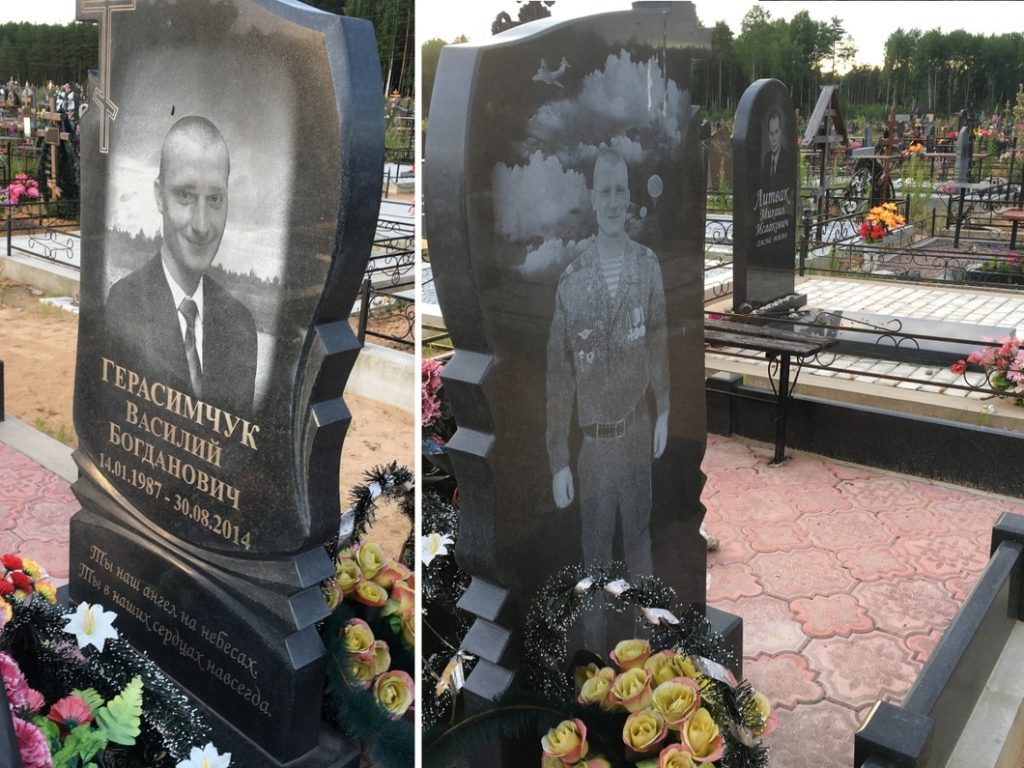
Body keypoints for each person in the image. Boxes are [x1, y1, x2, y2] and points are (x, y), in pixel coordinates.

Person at [546, 147, 669, 601]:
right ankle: (596, 660)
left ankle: (656, 651)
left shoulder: (647, 266)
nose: (615, 201)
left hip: (636, 434)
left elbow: (657, 339)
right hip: (594, 451)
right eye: (606, 191)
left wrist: (665, 410)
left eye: (621, 190)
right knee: (594, 565)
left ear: (629, 196)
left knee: (640, 550)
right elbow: (559, 378)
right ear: (593, 199)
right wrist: (559, 458)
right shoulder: (573, 281)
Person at [105, 115, 257, 414]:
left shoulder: (240, 325)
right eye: (185, 195)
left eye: (214, 199)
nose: (201, 225)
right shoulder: (125, 304)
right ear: (159, 196)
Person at [761, 109, 785, 180]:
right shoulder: (767, 159)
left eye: (776, 132)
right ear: (768, 135)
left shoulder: (787, 158)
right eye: (771, 133)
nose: (774, 139)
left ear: (780, 132)